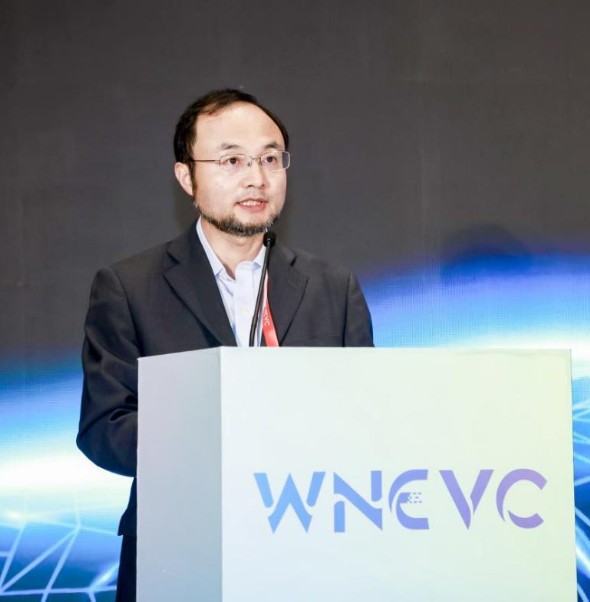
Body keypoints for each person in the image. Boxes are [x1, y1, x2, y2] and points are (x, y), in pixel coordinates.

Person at [76, 89, 374, 601]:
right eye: (232, 160)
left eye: (270, 159)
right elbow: (106, 429)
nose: (256, 177)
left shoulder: (332, 288)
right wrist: (221, 435)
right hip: (179, 553)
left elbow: (367, 422)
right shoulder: (129, 287)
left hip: (307, 553)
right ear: (186, 177)